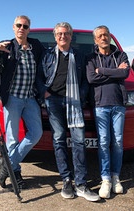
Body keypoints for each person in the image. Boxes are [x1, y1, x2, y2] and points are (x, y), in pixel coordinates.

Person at [36, 22, 100, 202]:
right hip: (53, 101)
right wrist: (45, 93)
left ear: (71, 36)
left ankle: (81, 184)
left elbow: (86, 80)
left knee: (79, 141)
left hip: (75, 102)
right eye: (59, 34)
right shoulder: (47, 55)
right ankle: (66, 180)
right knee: (58, 139)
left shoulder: (81, 56)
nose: (62, 37)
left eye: (66, 34)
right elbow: (39, 77)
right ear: (55, 36)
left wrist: (81, 94)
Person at [0, 15, 44, 189]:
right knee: (12, 138)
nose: (22, 28)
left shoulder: (36, 45)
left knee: (36, 133)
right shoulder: (7, 46)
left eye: (25, 26)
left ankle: (7, 163)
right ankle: (15, 172)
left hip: (30, 98)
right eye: (19, 25)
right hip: (13, 98)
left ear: (29, 29)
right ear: (13, 28)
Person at [86, 25, 130, 199]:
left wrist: (102, 71)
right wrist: (115, 72)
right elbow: (91, 78)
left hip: (118, 104)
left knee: (118, 142)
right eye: (100, 36)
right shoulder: (90, 57)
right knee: (104, 142)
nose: (103, 38)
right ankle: (105, 179)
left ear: (110, 37)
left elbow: (125, 72)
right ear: (95, 40)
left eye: (106, 35)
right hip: (100, 105)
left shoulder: (121, 55)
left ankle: (115, 176)